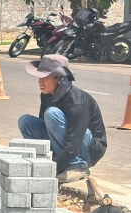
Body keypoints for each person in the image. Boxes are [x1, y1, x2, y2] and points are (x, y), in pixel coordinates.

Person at [18, 54, 107, 184]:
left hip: (88, 150)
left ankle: (77, 166)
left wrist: (50, 168)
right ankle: (47, 160)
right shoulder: (47, 95)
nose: (40, 82)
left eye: (45, 77)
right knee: (25, 122)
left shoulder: (76, 103)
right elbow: (47, 128)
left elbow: (73, 145)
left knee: (52, 114)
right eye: (39, 77)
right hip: (68, 146)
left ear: (59, 78)